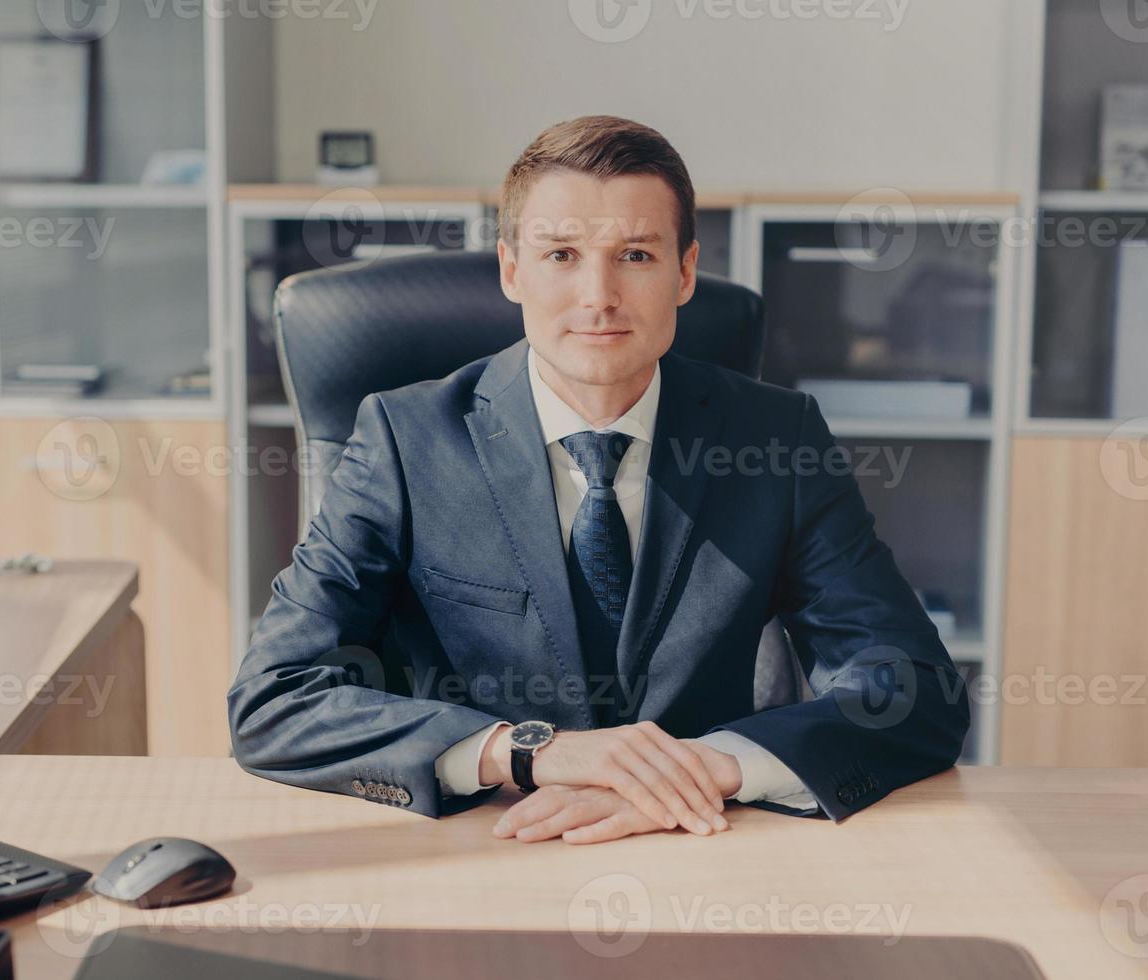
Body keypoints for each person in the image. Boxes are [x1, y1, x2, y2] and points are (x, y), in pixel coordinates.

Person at [228, 115, 969, 844]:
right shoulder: (405, 438)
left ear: (685, 273)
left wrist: (705, 770)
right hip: (484, 844)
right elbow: (274, 698)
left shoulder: (775, 439)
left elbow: (913, 691)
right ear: (511, 270)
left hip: (704, 845)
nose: (598, 296)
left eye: (636, 255)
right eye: (561, 256)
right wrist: (527, 751)